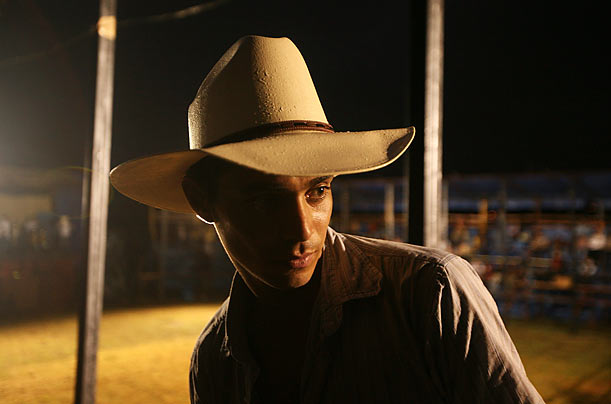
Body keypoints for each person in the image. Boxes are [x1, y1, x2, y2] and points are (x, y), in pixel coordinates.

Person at [110, 35, 544, 403]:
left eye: (318, 191)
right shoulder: (214, 360)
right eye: (263, 201)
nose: (301, 229)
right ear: (202, 201)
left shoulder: (431, 294)